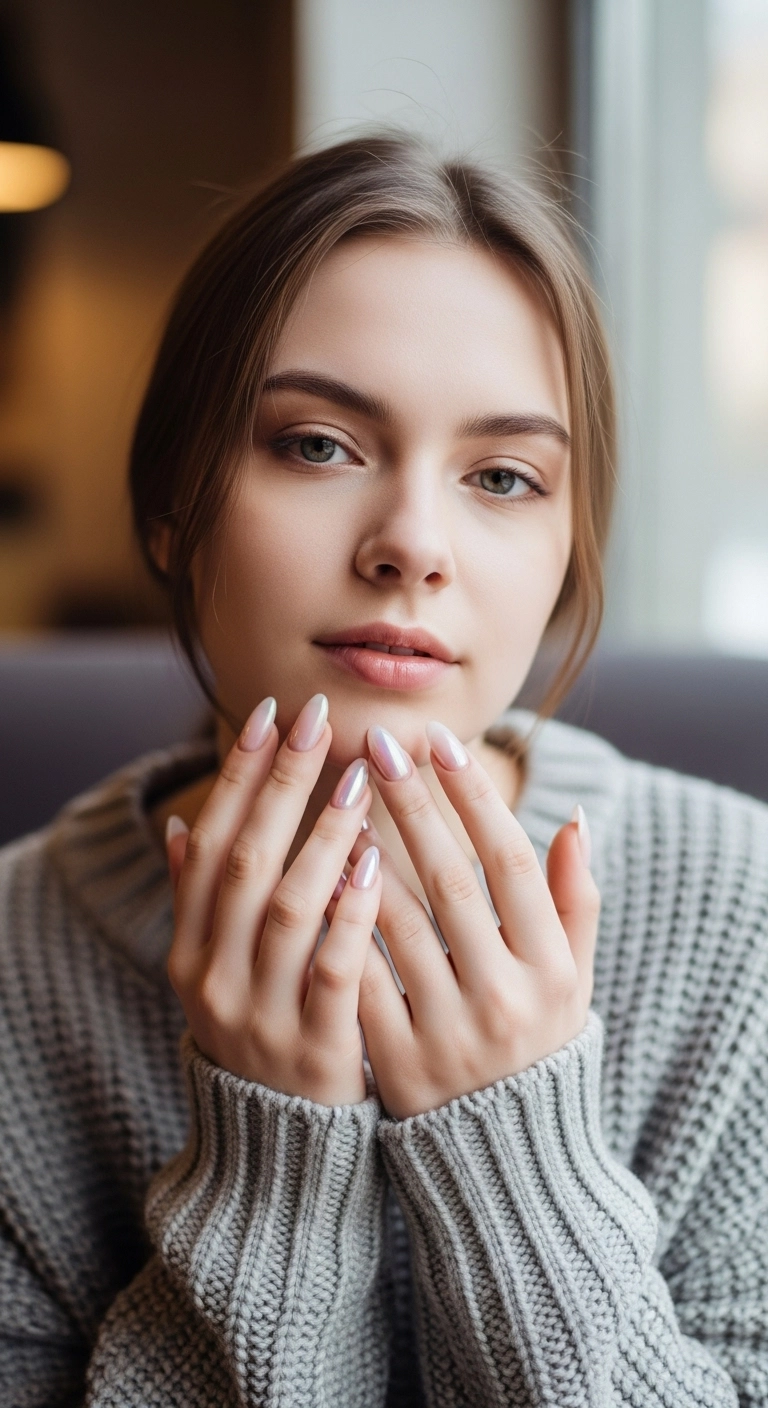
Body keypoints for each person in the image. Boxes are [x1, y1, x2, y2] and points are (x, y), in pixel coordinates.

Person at [0, 132, 765, 1408]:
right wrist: (267, 1174)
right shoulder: (16, 963)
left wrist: (519, 1152)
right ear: (172, 507)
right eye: (317, 445)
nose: (412, 543)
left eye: (504, 477)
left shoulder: (743, 911)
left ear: (568, 560)